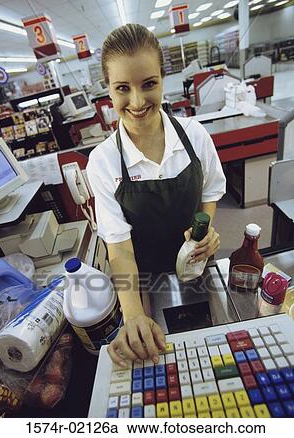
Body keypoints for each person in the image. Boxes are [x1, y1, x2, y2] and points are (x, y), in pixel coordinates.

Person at [86, 24, 226, 368]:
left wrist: (205, 231)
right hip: (143, 280)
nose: (136, 102)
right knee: (160, 363)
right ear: (108, 90)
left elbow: (210, 191)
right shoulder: (103, 162)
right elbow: (118, 248)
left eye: (148, 84)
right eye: (122, 88)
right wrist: (133, 314)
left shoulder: (194, 136)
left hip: (197, 269)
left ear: (164, 78)